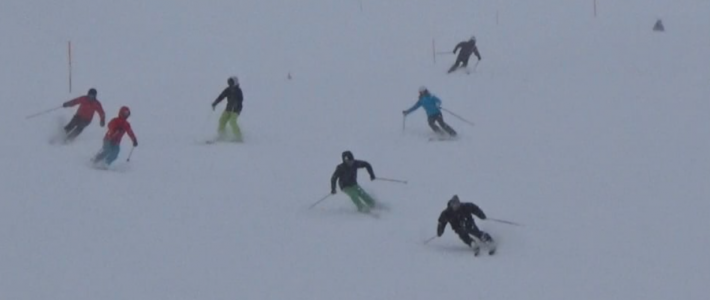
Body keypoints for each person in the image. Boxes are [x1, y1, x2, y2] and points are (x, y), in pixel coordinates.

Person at [212, 76, 244, 142]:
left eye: (231, 83)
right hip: (228, 108)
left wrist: (236, 104)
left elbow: (240, 100)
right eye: (229, 83)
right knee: (222, 120)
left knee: (232, 121)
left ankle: (238, 137)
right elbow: (221, 96)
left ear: (235, 83)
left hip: (236, 109)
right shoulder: (228, 90)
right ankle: (221, 135)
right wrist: (215, 102)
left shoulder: (238, 91)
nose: (230, 85)